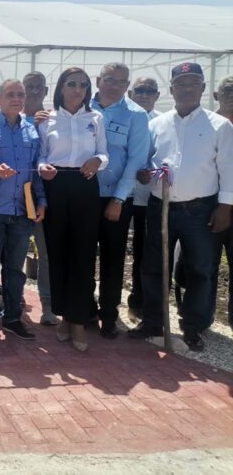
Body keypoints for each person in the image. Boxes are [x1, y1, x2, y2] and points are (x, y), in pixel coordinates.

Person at [129, 63, 233, 351]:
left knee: (200, 268)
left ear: (203, 88)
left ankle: (193, 326)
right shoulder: (157, 124)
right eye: (181, 83)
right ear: (172, 89)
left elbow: (228, 167)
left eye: (193, 83)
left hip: (200, 210)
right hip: (159, 206)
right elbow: (147, 162)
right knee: (154, 266)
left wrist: (225, 207)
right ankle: (153, 320)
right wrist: (144, 174)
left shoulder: (220, 126)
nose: (187, 89)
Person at [37, 67, 108, 352]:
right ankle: (63, 315)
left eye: (83, 85)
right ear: (61, 88)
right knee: (57, 253)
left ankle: (78, 320)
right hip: (56, 185)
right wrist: (42, 167)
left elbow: (104, 152)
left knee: (83, 253)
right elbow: (40, 154)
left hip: (85, 184)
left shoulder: (96, 118)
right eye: (72, 84)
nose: (78, 89)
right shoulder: (47, 119)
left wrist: (98, 161)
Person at [0, 79, 46, 341]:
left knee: (15, 269)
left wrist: (41, 200)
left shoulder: (32, 132)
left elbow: (36, 170)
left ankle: (13, 318)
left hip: (22, 210)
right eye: (10, 94)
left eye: (20, 94)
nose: (16, 99)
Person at [91, 63, 150, 338]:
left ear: (127, 86)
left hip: (116, 197)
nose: (115, 86)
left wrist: (118, 199)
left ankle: (108, 315)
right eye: (110, 79)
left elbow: (136, 159)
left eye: (121, 82)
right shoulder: (82, 107)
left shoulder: (136, 115)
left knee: (113, 259)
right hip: (84, 196)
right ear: (98, 80)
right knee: (82, 255)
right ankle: (84, 309)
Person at [22, 71, 57, 326]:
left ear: (45, 91)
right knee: (13, 253)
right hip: (17, 197)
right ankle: (13, 299)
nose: (34, 91)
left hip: (46, 197)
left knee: (46, 254)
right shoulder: (13, 119)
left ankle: (48, 306)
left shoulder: (54, 120)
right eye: (29, 87)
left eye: (38, 87)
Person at [126, 76, 162, 318]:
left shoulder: (163, 122)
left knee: (145, 251)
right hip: (120, 195)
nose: (145, 95)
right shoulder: (122, 117)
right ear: (131, 94)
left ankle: (139, 301)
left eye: (150, 91)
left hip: (148, 198)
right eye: (140, 90)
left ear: (157, 95)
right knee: (112, 250)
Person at [214, 75, 233, 329]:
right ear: (216, 96)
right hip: (208, 206)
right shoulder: (209, 125)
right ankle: (198, 318)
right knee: (200, 265)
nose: (232, 96)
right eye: (227, 91)